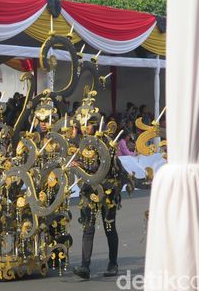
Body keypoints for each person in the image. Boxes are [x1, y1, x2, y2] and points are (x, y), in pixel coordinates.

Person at [72, 116, 121, 280]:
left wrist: (82, 166)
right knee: (88, 228)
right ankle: (85, 266)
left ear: (95, 125)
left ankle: (113, 264)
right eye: (82, 124)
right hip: (88, 190)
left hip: (107, 190)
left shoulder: (106, 142)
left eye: (88, 124)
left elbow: (104, 167)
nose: (84, 127)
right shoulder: (81, 143)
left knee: (109, 228)